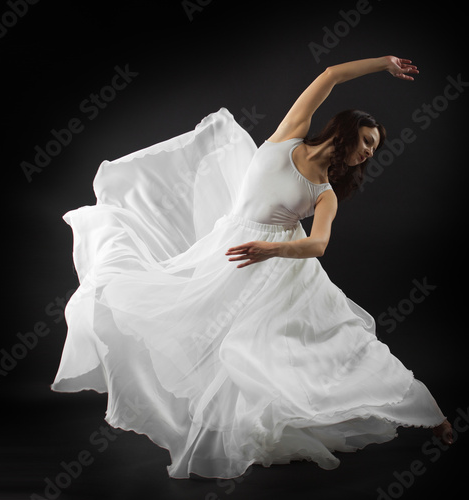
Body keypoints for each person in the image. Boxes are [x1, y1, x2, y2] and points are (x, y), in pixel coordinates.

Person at [51, 55, 452, 479]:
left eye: (375, 148)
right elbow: (331, 76)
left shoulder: (324, 193)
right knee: (187, 318)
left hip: (282, 270)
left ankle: (435, 417)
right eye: (368, 141)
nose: (369, 153)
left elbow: (317, 245)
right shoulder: (288, 136)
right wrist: (384, 63)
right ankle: (243, 424)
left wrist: (271, 250)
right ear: (346, 131)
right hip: (231, 247)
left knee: (343, 346)